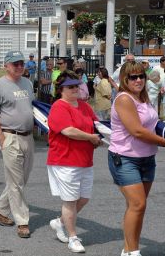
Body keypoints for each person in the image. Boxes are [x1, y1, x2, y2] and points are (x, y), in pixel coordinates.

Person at [108, 62, 165, 256]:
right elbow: (137, 131)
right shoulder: (124, 99)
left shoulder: (143, 98)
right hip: (124, 158)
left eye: (141, 76)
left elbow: (154, 123)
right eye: (133, 77)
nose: (138, 80)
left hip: (146, 158)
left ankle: (128, 250)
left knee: (136, 207)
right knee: (138, 204)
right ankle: (133, 252)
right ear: (124, 80)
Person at [47, 71, 101, 253]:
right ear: (61, 89)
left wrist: (100, 136)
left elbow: (96, 125)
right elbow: (68, 130)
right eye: (71, 86)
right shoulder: (58, 107)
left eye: (77, 85)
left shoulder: (85, 106)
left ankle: (60, 222)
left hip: (85, 160)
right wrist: (91, 137)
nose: (75, 89)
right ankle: (72, 237)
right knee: (70, 201)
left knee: (83, 198)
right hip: (65, 160)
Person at [0, 51, 34, 238]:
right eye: (15, 64)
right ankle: (22, 221)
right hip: (10, 136)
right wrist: (1, 137)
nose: (20, 66)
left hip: (28, 137)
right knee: (15, 182)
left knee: (21, 180)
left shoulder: (28, 83)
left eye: (21, 63)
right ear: (6, 65)